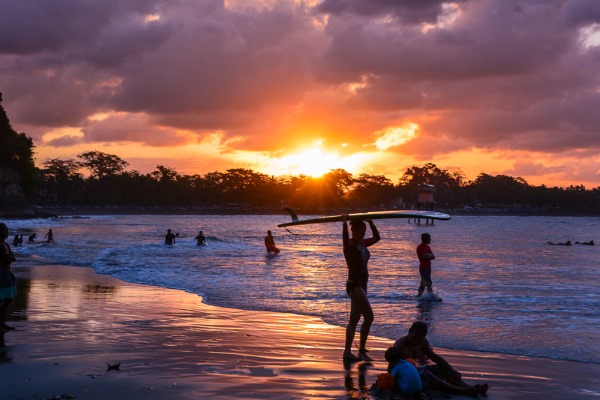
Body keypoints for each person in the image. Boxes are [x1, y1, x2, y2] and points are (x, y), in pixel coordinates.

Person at [394, 322, 488, 396]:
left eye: (420, 338)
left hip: (416, 370)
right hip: (407, 377)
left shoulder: (422, 342)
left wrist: (450, 369)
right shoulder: (400, 345)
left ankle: (470, 388)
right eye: (415, 337)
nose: (416, 341)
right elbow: (393, 368)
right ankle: (463, 391)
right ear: (410, 331)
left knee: (443, 368)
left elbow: (434, 357)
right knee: (428, 374)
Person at [342, 217, 380, 362]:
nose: (364, 234)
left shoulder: (363, 243)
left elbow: (377, 238)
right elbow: (345, 240)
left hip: (363, 286)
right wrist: (344, 224)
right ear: (355, 231)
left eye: (365, 231)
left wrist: (371, 222)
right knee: (369, 317)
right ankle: (362, 350)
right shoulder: (350, 245)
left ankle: (347, 352)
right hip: (354, 285)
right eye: (362, 231)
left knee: (354, 319)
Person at [0, 223, 17, 331]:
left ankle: (2, 322)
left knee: (7, 298)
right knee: (7, 298)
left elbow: (11, 257)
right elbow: (7, 259)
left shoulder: (5, 244)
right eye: (4, 230)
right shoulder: (1, 245)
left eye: (6, 230)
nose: (7, 232)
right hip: (1, 274)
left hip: (7, 273)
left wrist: (10, 258)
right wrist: (10, 258)